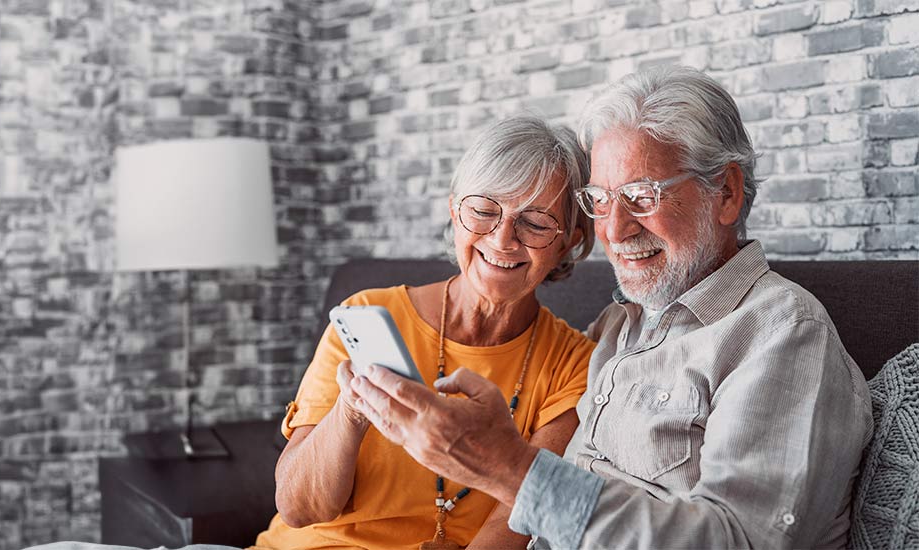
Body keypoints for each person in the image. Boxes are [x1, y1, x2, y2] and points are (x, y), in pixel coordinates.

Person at [349, 65, 873, 549]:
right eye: (599, 201)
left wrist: (511, 467)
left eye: (642, 196)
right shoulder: (617, 327)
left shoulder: (782, 334)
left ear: (727, 194)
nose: (614, 232)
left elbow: (739, 540)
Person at [253, 116, 598, 550]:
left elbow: (513, 527)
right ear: (455, 211)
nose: (503, 238)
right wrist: (353, 410)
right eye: (484, 210)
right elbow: (298, 508)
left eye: (535, 222)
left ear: (570, 240)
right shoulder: (367, 314)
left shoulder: (575, 366)